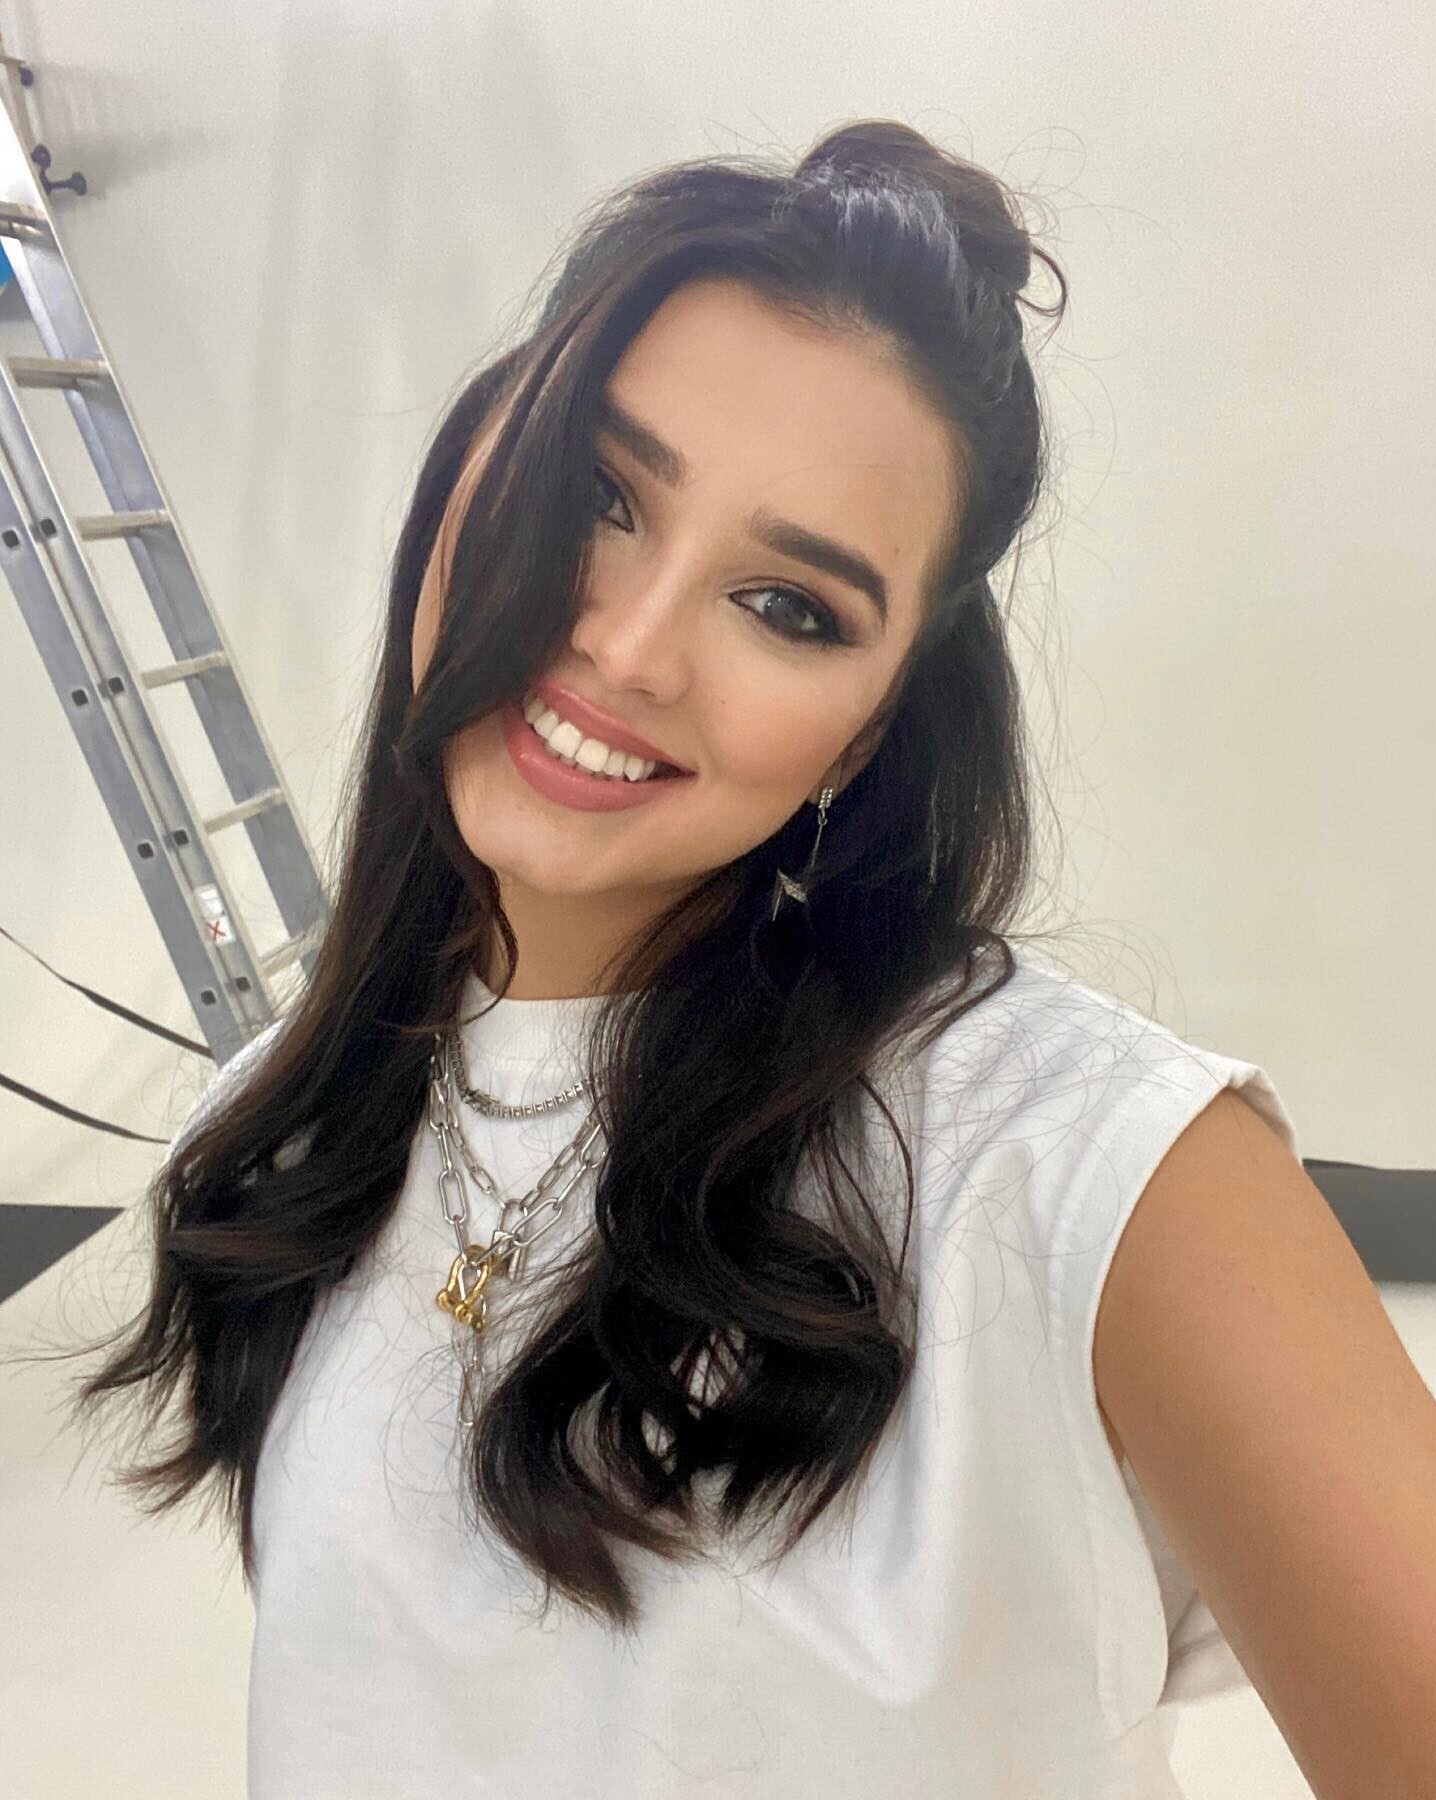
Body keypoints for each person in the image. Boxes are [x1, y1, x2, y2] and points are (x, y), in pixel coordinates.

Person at [79, 123, 1303, 1796]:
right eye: (601, 494)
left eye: (789, 606)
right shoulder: (275, 1138)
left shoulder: (1087, 1172)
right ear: (470, 460)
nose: (632, 649)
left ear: (868, 730)